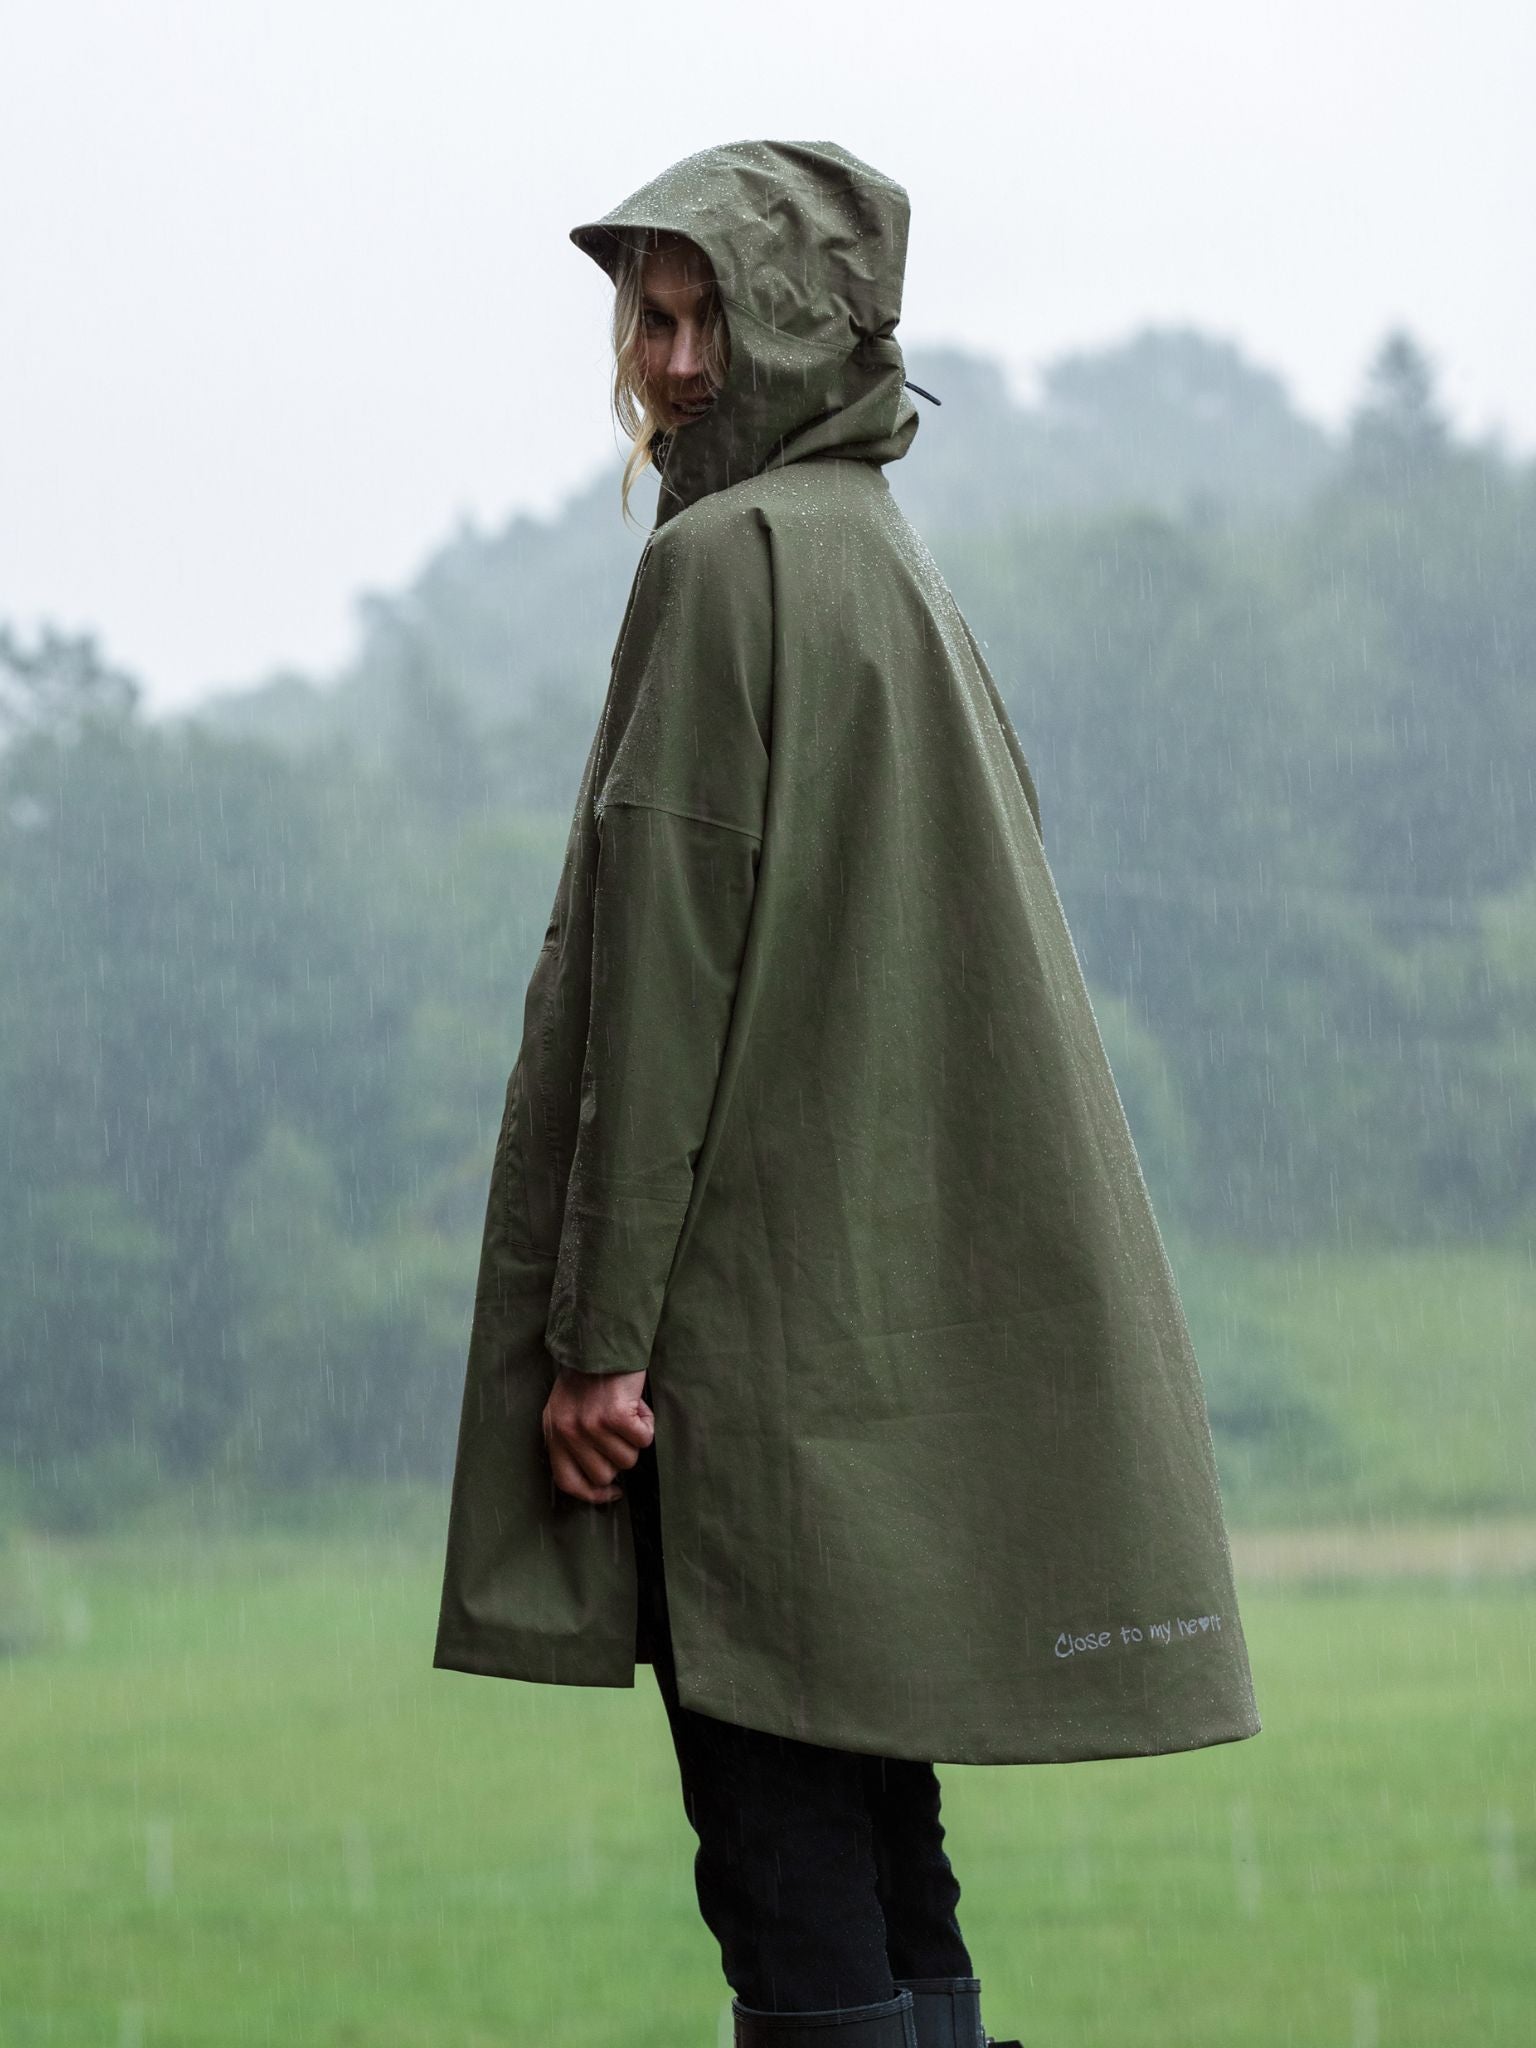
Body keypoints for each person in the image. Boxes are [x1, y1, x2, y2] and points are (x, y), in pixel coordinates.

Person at [433, 140, 1262, 2048]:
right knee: (887, 1847)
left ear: (808, 324)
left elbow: (660, 988)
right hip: (864, 1370)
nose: (669, 363)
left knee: (786, 1876)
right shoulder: (888, 557)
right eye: (649, 319)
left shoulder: (722, 565)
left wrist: (600, 1341)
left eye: (709, 316)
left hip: (741, 1363)